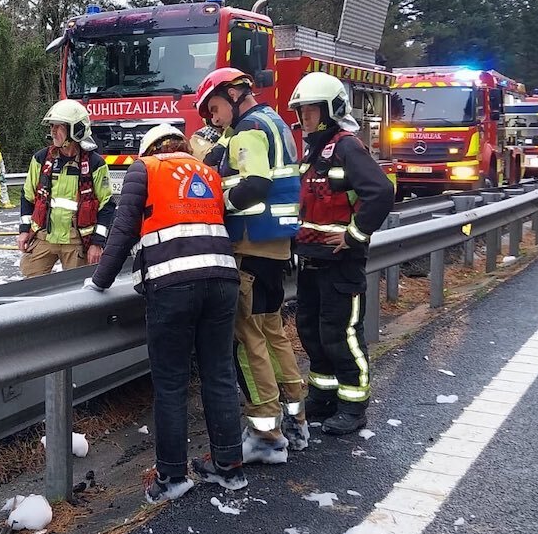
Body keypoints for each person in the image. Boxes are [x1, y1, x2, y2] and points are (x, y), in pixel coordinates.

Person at [83, 124, 247, 503]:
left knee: (171, 383)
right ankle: (229, 468)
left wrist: (99, 282)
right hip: (223, 280)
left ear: (150, 148)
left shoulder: (145, 168)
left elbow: (123, 231)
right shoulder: (206, 171)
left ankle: (172, 477)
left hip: (173, 285)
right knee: (219, 374)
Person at [194, 67, 308, 464]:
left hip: (250, 243)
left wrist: (211, 206)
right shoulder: (274, 123)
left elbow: (255, 183)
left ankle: (266, 432)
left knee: (248, 336)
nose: (213, 117)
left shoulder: (247, 131)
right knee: (273, 330)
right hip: (274, 244)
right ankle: (296, 418)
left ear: (234, 95)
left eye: (215, 107)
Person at [286, 72, 395, 435]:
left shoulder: (346, 146)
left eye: (311, 110)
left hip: (340, 264)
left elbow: (379, 191)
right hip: (312, 260)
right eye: (301, 111)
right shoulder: (312, 152)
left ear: (331, 109)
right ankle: (323, 396)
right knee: (312, 333)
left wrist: (355, 235)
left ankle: (353, 404)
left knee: (341, 334)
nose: (305, 118)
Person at [18, 99, 115, 277]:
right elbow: (27, 196)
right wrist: (24, 231)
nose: (53, 131)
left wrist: (98, 243)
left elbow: (107, 205)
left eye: (59, 126)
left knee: (76, 291)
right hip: (43, 237)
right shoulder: (41, 159)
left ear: (76, 130)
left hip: (76, 241)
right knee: (29, 283)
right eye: (51, 126)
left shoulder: (94, 163)